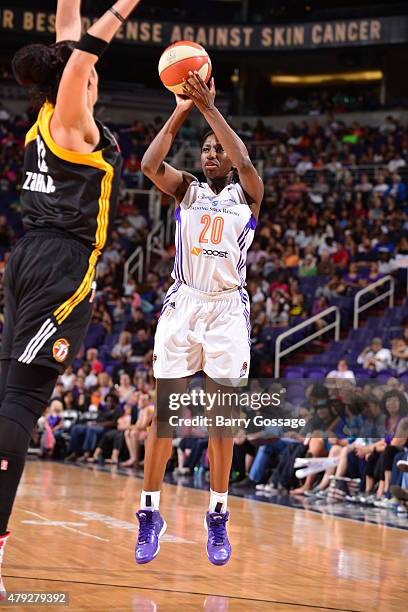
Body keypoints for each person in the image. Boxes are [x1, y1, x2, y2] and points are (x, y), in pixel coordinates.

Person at [0, 0, 142, 596]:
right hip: (60, 266)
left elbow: (68, 36)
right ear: (70, 80)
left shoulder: (44, 116)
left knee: (8, 392)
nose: (92, 77)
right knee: (21, 406)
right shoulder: (70, 118)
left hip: (29, 258)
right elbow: (83, 51)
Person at [137, 70, 264, 565]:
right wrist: (183, 108)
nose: (211, 153)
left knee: (220, 422)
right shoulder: (186, 190)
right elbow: (150, 163)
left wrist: (209, 107)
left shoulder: (248, 194)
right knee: (164, 417)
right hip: (184, 304)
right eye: (205, 149)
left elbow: (247, 160)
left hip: (227, 311)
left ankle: (218, 517)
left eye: (219, 149)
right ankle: (150, 514)